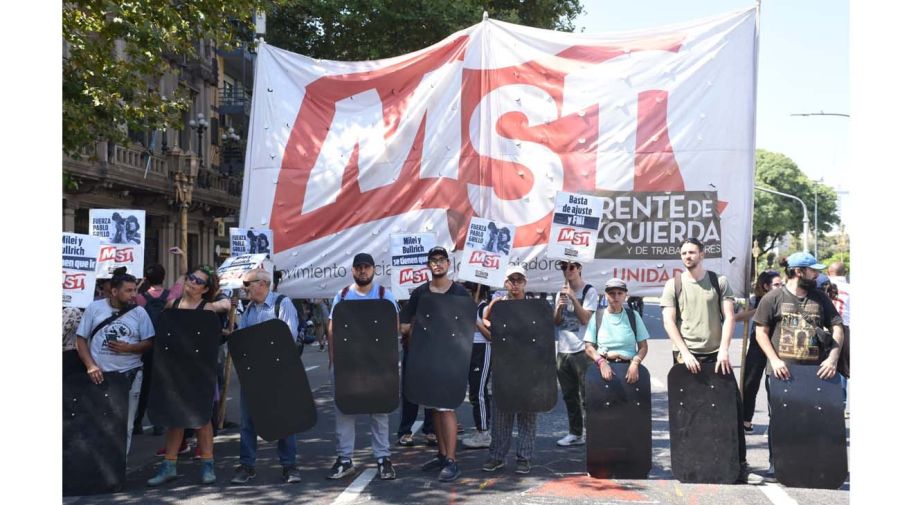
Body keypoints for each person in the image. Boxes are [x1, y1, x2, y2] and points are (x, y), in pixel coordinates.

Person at [660, 238, 759, 484]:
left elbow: (729, 318)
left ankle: (740, 463)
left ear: (702, 254)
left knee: (732, 410)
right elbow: (669, 322)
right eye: (683, 253)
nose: (687, 256)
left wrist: (724, 349)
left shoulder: (718, 282)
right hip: (686, 355)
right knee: (688, 413)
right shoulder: (674, 284)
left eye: (692, 252)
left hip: (716, 355)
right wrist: (685, 352)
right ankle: (689, 462)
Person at [753, 252, 844, 478]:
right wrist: (774, 360)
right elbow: (760, 333)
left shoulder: (820, 298)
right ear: (798, 272)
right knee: (780, 421)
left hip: (815, 374)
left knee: (811, 420)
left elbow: (838, 328)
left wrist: (832, 359)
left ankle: (807, 464)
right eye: (813, 270)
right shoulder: (772, 298)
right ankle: (778, 466)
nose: (817, 274)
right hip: (781, 372)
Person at [147, 266, 224, 486]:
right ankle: (169, 465)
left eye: (198, 281)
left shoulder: (208, 308)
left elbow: (212, 342)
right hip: (176, 371)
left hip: (200, 372)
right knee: (175, 417)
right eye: (191, 278)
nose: (192, 282)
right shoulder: (173, 305)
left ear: (205, 289)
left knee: (202, 419)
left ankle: (208, 465)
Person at [326, 253, 399, 481]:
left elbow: (393, 327)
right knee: (345, 411)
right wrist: (333, 359)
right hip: (348, 365)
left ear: (374, 270)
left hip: (377, 366)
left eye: (367, 267)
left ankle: (383, 458)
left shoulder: (384, 295)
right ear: (353, 271)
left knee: (379, 412)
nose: (363, 271)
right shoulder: (343, 295)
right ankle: (345, 459)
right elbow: (332, 329)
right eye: (359, 267)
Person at [399, 246, 470, 482]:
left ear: (448, 264)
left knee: (446, 407)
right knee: (433, 408)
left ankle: (452, 460)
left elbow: (467, 325)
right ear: (428, 265)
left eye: (441, 260)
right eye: (433, 261)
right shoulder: (420, 293)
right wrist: (411, 326)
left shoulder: (460, 292)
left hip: (451, 359)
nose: (437, 264)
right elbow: (405, 325)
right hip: (426, 359)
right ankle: (441, 455)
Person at [230, 268, 303, 485]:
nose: (245, 288)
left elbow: (286, 339)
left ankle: (289, 465)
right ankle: (247, 465)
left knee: (284, 420)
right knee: (248, 422)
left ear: (262, 284)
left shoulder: (282, 304)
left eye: (247, 284)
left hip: (278, 374)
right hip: (253, 375)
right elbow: (242, 340)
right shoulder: (249, 309)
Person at [75, 270, 155, 456]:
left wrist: (129, 348)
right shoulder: (95, 308)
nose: (134, 295)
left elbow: (149, 342)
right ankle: (98, 469)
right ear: (114, 291)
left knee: (124, 425)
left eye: (134, 290)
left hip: (130, 376)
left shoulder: (139, 313)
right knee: (97, 423)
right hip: (99, 377)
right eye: (128, 291)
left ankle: (119, 468)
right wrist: (90, 366)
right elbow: (80, 340)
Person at [480, 266, 538, 474]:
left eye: (519, 280)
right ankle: (497, 456)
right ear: (505, 282)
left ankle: (524, 457)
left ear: (525, 282)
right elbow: (487, 323)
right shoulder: (498, 304)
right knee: (501, 412)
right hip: (504, 363)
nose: (515, 284)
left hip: (527, 364)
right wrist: (490, 310)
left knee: (527, 413)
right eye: (511, 280)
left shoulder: (533, 305)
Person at [133, 247, 188, 437]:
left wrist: (140, 284)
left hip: (145, 345)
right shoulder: (171, 295)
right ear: (163, 277)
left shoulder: (139, 298)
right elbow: (183, 275)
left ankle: (137, 422)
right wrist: (182, 255)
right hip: (165, 345)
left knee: (144, 384)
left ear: (147, 279)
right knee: (162, 385)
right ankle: (159, 424)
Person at [552, 260, 599, 447]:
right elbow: (556, 322)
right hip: (563, 350)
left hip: (582, 350)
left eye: (571, 267)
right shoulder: (560, 292)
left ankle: (594, 433)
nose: (567, 271)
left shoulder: (589, 291)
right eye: (564, 267)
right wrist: (559, 307)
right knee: (569, 395)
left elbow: (585, 318)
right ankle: (575, 432)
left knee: (587, 395)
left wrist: (572, 298)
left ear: (579, 268)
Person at [734, 271, 782, 433]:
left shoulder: (784, 299)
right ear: (766, 286)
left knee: (777, 383)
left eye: (781, 284)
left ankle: (779, 421)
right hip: (757, 343)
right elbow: (736, 317)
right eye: (776, 284)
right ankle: (746, 420)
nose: (779, 287)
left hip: (778, 344)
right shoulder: (756, 300)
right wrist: (759, 310)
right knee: (750, 382)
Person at [583, 278, 650, 384]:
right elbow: (588, 347)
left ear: (625, 295)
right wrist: (601, 362)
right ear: (606, 295)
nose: (616, 296)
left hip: (629, 371)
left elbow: (643, 347)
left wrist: (635, 363)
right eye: (612, 293)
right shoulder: (597, 316)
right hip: (603, 371)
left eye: (620, 293)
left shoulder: (633, 316)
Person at [461, 281, 493, 450]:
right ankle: (482, 428)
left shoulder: (484, 309)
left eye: (468, 290)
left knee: (478, 392)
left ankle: (484, 433)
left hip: (482, 350)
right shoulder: (470, 307)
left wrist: (477, 322)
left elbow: (491, 335)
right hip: (470, 349)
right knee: (476, 392)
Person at [827, 261, 850, 417]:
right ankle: (840, 404)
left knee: (824, 364)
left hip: (826, 328)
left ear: (829, 272)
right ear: (845, 272)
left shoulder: (823, 286)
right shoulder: (851, 289)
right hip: (846, 329)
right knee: (841, 367)